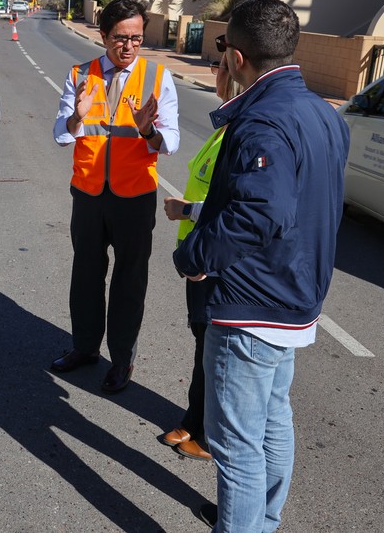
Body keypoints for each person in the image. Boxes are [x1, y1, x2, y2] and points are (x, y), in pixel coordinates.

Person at [173, 0, 349, 531]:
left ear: (238, 57)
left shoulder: (262, 120)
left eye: (223, 47)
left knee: (238, 447)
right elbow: (295, 201)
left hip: (252, 303)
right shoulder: (322, 112)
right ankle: (258, 521)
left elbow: (262, 211)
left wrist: (195, 256)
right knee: (273, 423)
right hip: (295, 296)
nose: (221, 58)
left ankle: (244, 523)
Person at [51, 0, 180, 393]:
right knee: (86, 275)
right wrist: (76, 115)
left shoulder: (158, 78)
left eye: (137, 39)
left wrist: (148, 131)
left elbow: (171, 142)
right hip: (89, 193)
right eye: (120, 38)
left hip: (135, 197)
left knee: (129, 280)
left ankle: (122, 360)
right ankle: (85, 348)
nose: (128, 47)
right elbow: (60, 134)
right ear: (103, 36)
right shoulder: (79, 74)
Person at [160, 57, 243, 463]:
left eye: (222, 68)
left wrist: (186, 210)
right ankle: (194, 419)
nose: (216, 74)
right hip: (199, 259)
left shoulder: (241, 131)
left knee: (214, 351)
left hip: (214, 261)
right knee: (202, 346)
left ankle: (210, 435)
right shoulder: (224, 126)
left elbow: (234, 205)